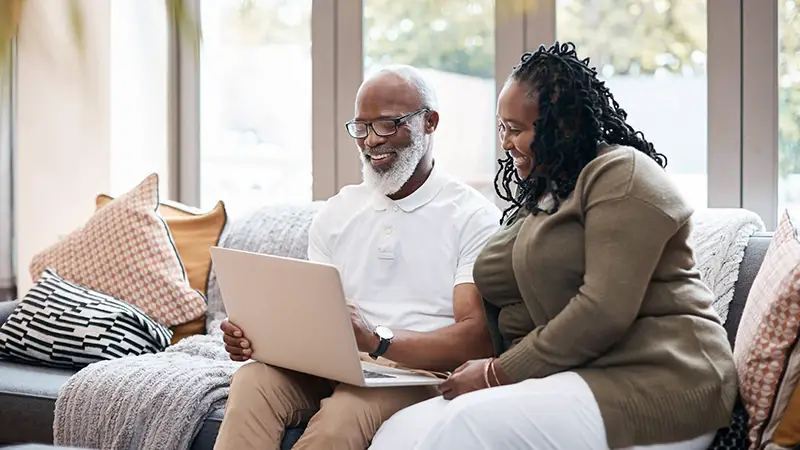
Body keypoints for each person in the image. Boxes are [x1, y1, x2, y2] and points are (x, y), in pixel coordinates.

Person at [369, 42, 738, 450]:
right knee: (400, 432)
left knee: (467, 423)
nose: (505, 143)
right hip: (576, 374)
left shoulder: (621, 175)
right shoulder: (549, 193)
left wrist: (496, 373)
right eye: (501, 128)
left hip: (663, 381)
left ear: (560, 127)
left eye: (515, 129)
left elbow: (602, 311)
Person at [213, 65, 502, 450]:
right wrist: (256, 337)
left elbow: (476, 337)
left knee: (344, 415)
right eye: (361, 127)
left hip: (417, 372)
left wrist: (376, 341)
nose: (370, 142)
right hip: (335, 363)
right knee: (252, 381)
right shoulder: (338, 212)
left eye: (386, 125)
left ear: (429, 122)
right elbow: (311, 314)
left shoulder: (471, 215)